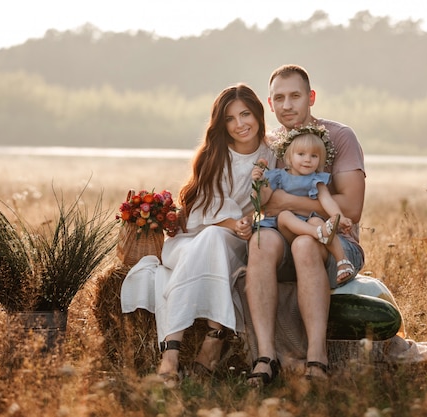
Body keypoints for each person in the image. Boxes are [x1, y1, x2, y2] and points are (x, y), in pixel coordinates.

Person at [120, 83, 276, 386]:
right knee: (211, 239)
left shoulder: (272, 155)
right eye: (230, 118)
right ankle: (210, 337)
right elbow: (203, 213)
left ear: (258, 113)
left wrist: (249, 222)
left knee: (217, 243)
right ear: (221, 123)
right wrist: (233, 224)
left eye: (245, 114)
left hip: (239, 242)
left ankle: (172, 350)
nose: (239, 124)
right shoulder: (214, 154)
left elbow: (271, 201)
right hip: (191, 239)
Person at [244, 64, 366, 385]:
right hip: (283, 236)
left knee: (304, 243)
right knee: (260, 242)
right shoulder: (268, 144)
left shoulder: (339, 136)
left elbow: (351, 206)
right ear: (270, 104)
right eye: (279, 98)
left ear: (310, 97)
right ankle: (266, 356)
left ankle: (317, 357)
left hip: (335, 244)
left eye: (295, 96)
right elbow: (261, 202)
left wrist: (287, 201)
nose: (287, 105)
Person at [251, 125, 357, 286]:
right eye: (301, 154)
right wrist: (258, 183)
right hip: (287, 227)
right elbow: (262, 201)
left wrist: (339, 217)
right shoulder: (278, 176)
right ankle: (318, 232)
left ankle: (343, 262)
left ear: (320, 160)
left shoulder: (317, 179)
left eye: (313, 156)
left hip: (308, 224)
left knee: (318, 221)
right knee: (285, 215)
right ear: (289, 157)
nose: (307, 159)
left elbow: (327, 200)